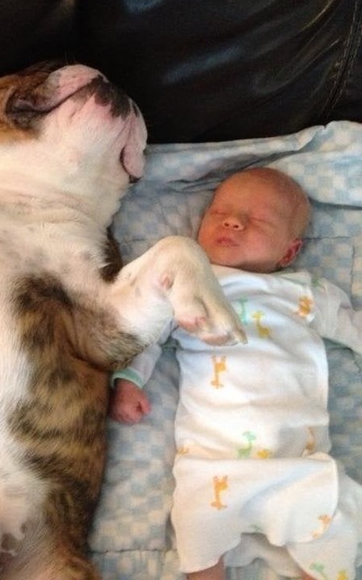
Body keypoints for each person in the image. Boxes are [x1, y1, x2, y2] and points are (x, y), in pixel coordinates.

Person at [110, 167, 362, 580]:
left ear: (288, 252)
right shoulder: (192, 283)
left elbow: (351, 325)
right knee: (195, 521)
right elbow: (149, 334)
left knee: (339, 509)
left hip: (295, 462)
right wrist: (128, 380)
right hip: (213, 460)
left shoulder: (303, 292)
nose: (232, 221)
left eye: (257, 219)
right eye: (220, 212)